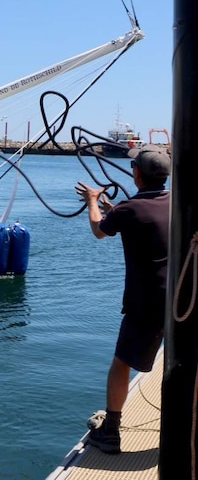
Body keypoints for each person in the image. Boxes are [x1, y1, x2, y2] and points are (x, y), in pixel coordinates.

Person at [74, 144, 171, 455]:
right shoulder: (177, 203)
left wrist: (93, 202)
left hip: (147, 303)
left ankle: (111, 431)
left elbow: (99, 230)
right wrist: (113, 208)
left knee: (121, 365)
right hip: (182, 299)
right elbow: (146, 220)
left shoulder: (129, 211)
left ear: (137, 174)